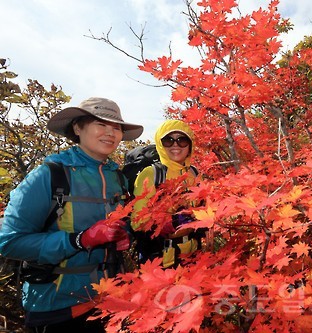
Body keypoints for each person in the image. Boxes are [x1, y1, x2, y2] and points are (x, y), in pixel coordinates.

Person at [0, 97, 143, 332]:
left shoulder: (117, 179)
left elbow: (118, 223)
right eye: (101, 124)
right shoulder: (49, 175)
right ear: (78, 128)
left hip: (106, 300)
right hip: (57, 307)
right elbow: (10, 242)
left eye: (116, 127)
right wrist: (80, 239)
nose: (110, 133)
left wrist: (122, 234)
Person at [132, 119, 203, 268]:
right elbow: (137, 222)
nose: (175, 145)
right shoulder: (151, 174)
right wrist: (167, 224)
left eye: (182, 140)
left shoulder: (194, 173)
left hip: (193, 256)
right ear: (160, 144)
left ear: (190, 145)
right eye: (168, 140)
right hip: (160, 259)